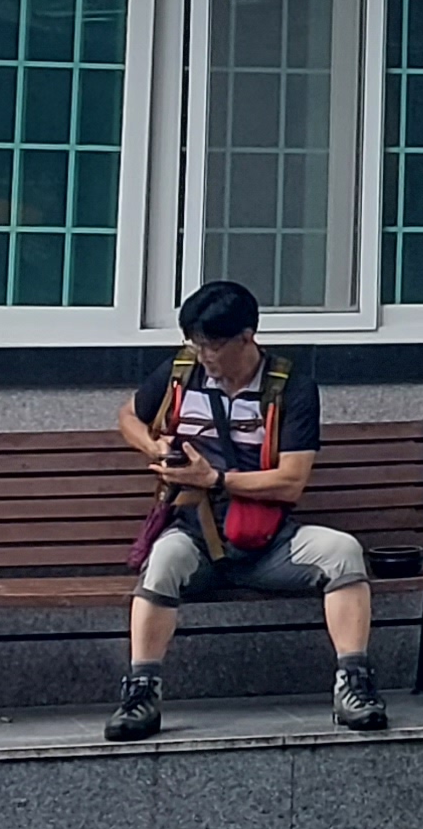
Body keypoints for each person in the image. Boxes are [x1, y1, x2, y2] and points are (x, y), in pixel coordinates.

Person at [106, 280, 384, 739]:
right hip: (194, 535)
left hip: (267, 540)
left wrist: (215, 480)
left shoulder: (291, 388)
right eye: (195, 343)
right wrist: (155, 447)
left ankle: (353, 686)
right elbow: (127, 416)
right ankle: (141, 694)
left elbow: (291, 480)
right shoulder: (181, 372)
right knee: (163, 560)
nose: (204, 355)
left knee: (343, 552)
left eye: (213, 345)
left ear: (247, 336)